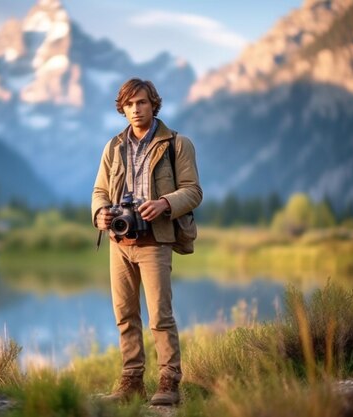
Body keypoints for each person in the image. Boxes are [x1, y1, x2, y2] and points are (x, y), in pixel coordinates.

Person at [91, 78, 202, 405]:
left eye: (142, 102)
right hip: (119, 241)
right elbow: (99, 191)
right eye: (129, 104)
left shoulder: (177, 144)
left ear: (154, 104)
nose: (136, 109)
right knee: (124, 314)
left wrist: (164, 204)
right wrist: (100, 214)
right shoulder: (113, 147)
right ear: (122, 109)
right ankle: (132, 383)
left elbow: (193, 191)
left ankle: (169, 382)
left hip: (157, 240)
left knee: (159, 316)